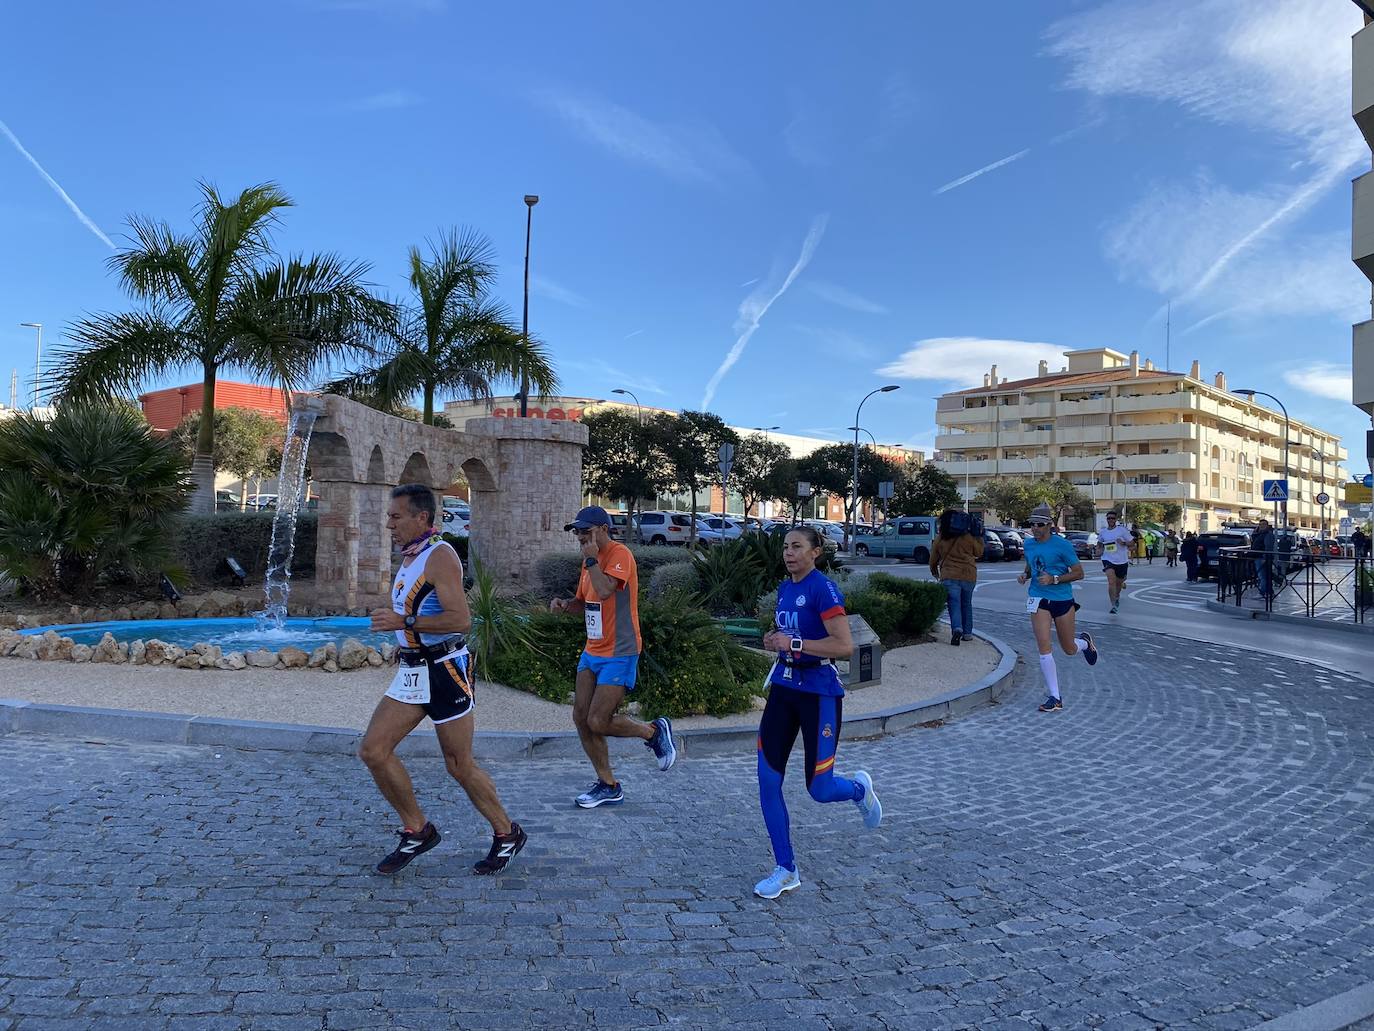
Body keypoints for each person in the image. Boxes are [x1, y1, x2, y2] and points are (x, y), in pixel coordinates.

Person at [359, 484, 526, 876]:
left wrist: (404, 621)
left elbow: (460, 620)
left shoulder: (440, 556)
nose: (389, 525)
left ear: (422, 518)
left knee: (458, 764)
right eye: (389, 517)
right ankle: (418, 830)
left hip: (446, 670)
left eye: (396, 517)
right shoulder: (411, 556)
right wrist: (405, 639)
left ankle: (507, 833)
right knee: (373, 750)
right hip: (414, 670)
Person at [753, 525, 882, 900]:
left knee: (820, 790)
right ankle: (786, 868)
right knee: (767, 780)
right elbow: (789, 635)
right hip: (784, 689)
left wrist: (793, 642)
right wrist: (774, 641)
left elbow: (844, 646)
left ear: (815, 552)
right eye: (785, 547)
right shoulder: (785, 588)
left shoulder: (823, 589)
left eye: (797, 546)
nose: (788, 553)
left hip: (819, 694)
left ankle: (859, 790)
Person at [549, 505, 676, 809]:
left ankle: (653, 731)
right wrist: (566, 605)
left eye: (586, 531)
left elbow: (606, 590)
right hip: (593, 649)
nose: (580, 537)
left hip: (620, 650)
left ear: (603, 529)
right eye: (577, 532)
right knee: (581, 717)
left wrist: (592, 559)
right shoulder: (588, 561)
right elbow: (585, 601)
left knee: (598, 720)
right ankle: (608, 785)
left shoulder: (620, 555)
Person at [1018, 503, 1099, 713]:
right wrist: (1025, 575)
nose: (1035, 528)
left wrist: (1054, 579)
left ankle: (1085, 643)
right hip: (1038, 598)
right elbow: (1032, 565)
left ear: (1049, 525)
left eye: (1039, 524)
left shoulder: (1062, 545)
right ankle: (1055, 697)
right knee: (1044, 646)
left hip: (1062, 599)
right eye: (1032, 524)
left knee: (1069, 648)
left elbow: (1079, 573)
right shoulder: (1029, 544)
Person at [929, 509, 984, 645]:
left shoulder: (941, 537)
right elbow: (979, 553)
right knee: (966, 604)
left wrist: (934, 571)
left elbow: (933, 558)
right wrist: (979, 537)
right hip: (969, 574)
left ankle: (957, 628)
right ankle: (967, 634)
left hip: (949, 575)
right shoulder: (968, 536)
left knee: (954, 603)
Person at [1097, 510, 1135, 615]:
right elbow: (1099, 544)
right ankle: (1113, 605)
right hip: (1107, 559)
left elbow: (1132, 544)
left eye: (1112, 518)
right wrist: (1098, 550)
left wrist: (1124, 543)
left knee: (1118, 583)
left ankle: (1117, 595)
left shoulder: (1122, 530)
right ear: (1107, 519)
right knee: (1111, 582)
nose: (1110, 520)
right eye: (1109, 518)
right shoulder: (1103, 532)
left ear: (1116, 520)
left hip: (1122, 560)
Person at [1251, 518, 1275, 598]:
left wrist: (1265, 557)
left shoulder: (1268, 534)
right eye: (1260, 524)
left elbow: (1268, 547)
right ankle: (1269, 592)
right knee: (1265, 576)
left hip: (1262, 557)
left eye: (1263, 524)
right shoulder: (1259, 534)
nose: (1261, 526)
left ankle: (1263, 592)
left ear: (1267, 525)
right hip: (1258, 556)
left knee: (1263, 576)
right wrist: (1255, 532)